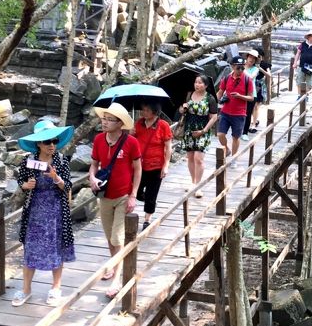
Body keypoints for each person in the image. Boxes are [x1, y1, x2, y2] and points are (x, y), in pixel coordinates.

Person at [12, 120, 75, 307]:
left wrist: (57, 179)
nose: (52, 145)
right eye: (47, 142)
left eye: (54, 141)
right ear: (38, 143)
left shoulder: (62, 160)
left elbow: (68, 186)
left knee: (57, 247)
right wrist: (26, 185)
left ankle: (56, 288)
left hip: (56, 210)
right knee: (30, 248)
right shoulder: (28, 161)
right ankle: (26, 290)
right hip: (35, 210)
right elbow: (21, 182)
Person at [89, 102, 142, 298]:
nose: (104, 122)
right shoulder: (98, 140)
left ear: (120, 123)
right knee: (109, 236)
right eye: (104, 118)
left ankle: (117, 279)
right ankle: (113, 264)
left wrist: (133, 195)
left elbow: (138, 169)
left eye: (109, 120)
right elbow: (93, 165)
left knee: (117, 238)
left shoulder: (131, 142)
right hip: (105, 196)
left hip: (123, 195)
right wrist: (93, 178)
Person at [134, 100, 173, 230]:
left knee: (152, 193)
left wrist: (166, 165)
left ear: (154, 112)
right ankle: (150, 202)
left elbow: (168, 147)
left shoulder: (163, 125)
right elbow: (132, 138)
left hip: (156, 165)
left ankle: (147, 219)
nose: (143, 112)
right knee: (137, 192)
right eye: (142, 109)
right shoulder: (139, 123)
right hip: (139, 165)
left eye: (146, 110)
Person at [179, 75, 218, 196]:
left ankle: (198, 186)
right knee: (190, 157)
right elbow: (181, 110)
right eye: (196, 82)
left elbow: (214, 116)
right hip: (189, 129)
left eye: (200, 83)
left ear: (206, 85)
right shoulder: (189, 95)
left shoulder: (210, 98)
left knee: (198, 159)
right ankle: (193, 182)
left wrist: (204, 130)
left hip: (202, 130)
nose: (197, 84)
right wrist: (183, 108)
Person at [217, 55, 254, 159]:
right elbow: (220, 92)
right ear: (232, 67)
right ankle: (226, 149)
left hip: (239, 114)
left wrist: (240, 96)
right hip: (225, 112)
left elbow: (251, 98)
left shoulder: (248, 80)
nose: (241, 70)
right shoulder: (227, 78)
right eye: (238, 68)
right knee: (220, 134)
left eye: (243, 67)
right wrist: (213, 101)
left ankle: (234, 158)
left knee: (235, 137)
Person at [241, 49, 260, 141]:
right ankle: (238, 130)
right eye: (250, 57)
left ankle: (245, 132)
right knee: (239, 112)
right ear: (247, 57)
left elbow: (251, 77)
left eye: (254, 58)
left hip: (251, 94)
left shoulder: (255, 69)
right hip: (240, 92)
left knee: (248, 114)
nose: (251, 59)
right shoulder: (240, 66)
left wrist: (242, 69)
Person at [293, 31, 312, 96]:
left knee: (309, 82)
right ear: (309, 36)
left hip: (311, 66)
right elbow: (298, 53)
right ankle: (299, 95)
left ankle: (306, 96)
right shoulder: (303, 44)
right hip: (301, 65)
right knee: (299, 81)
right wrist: (295, 63)